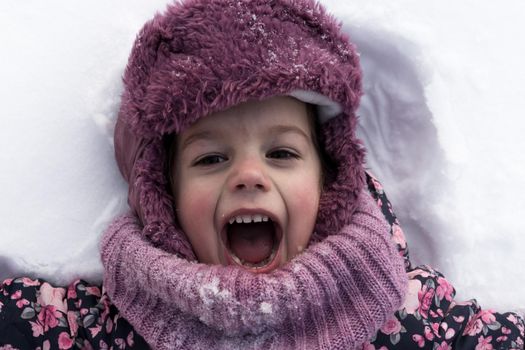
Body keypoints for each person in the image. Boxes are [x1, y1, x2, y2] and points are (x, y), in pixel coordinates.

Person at [1, 0, 523, 349]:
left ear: (329, 184)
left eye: (282, 154)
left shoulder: (398, 310)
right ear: (166, 198)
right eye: (210, 159)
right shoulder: (111, 322)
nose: (249, 175)